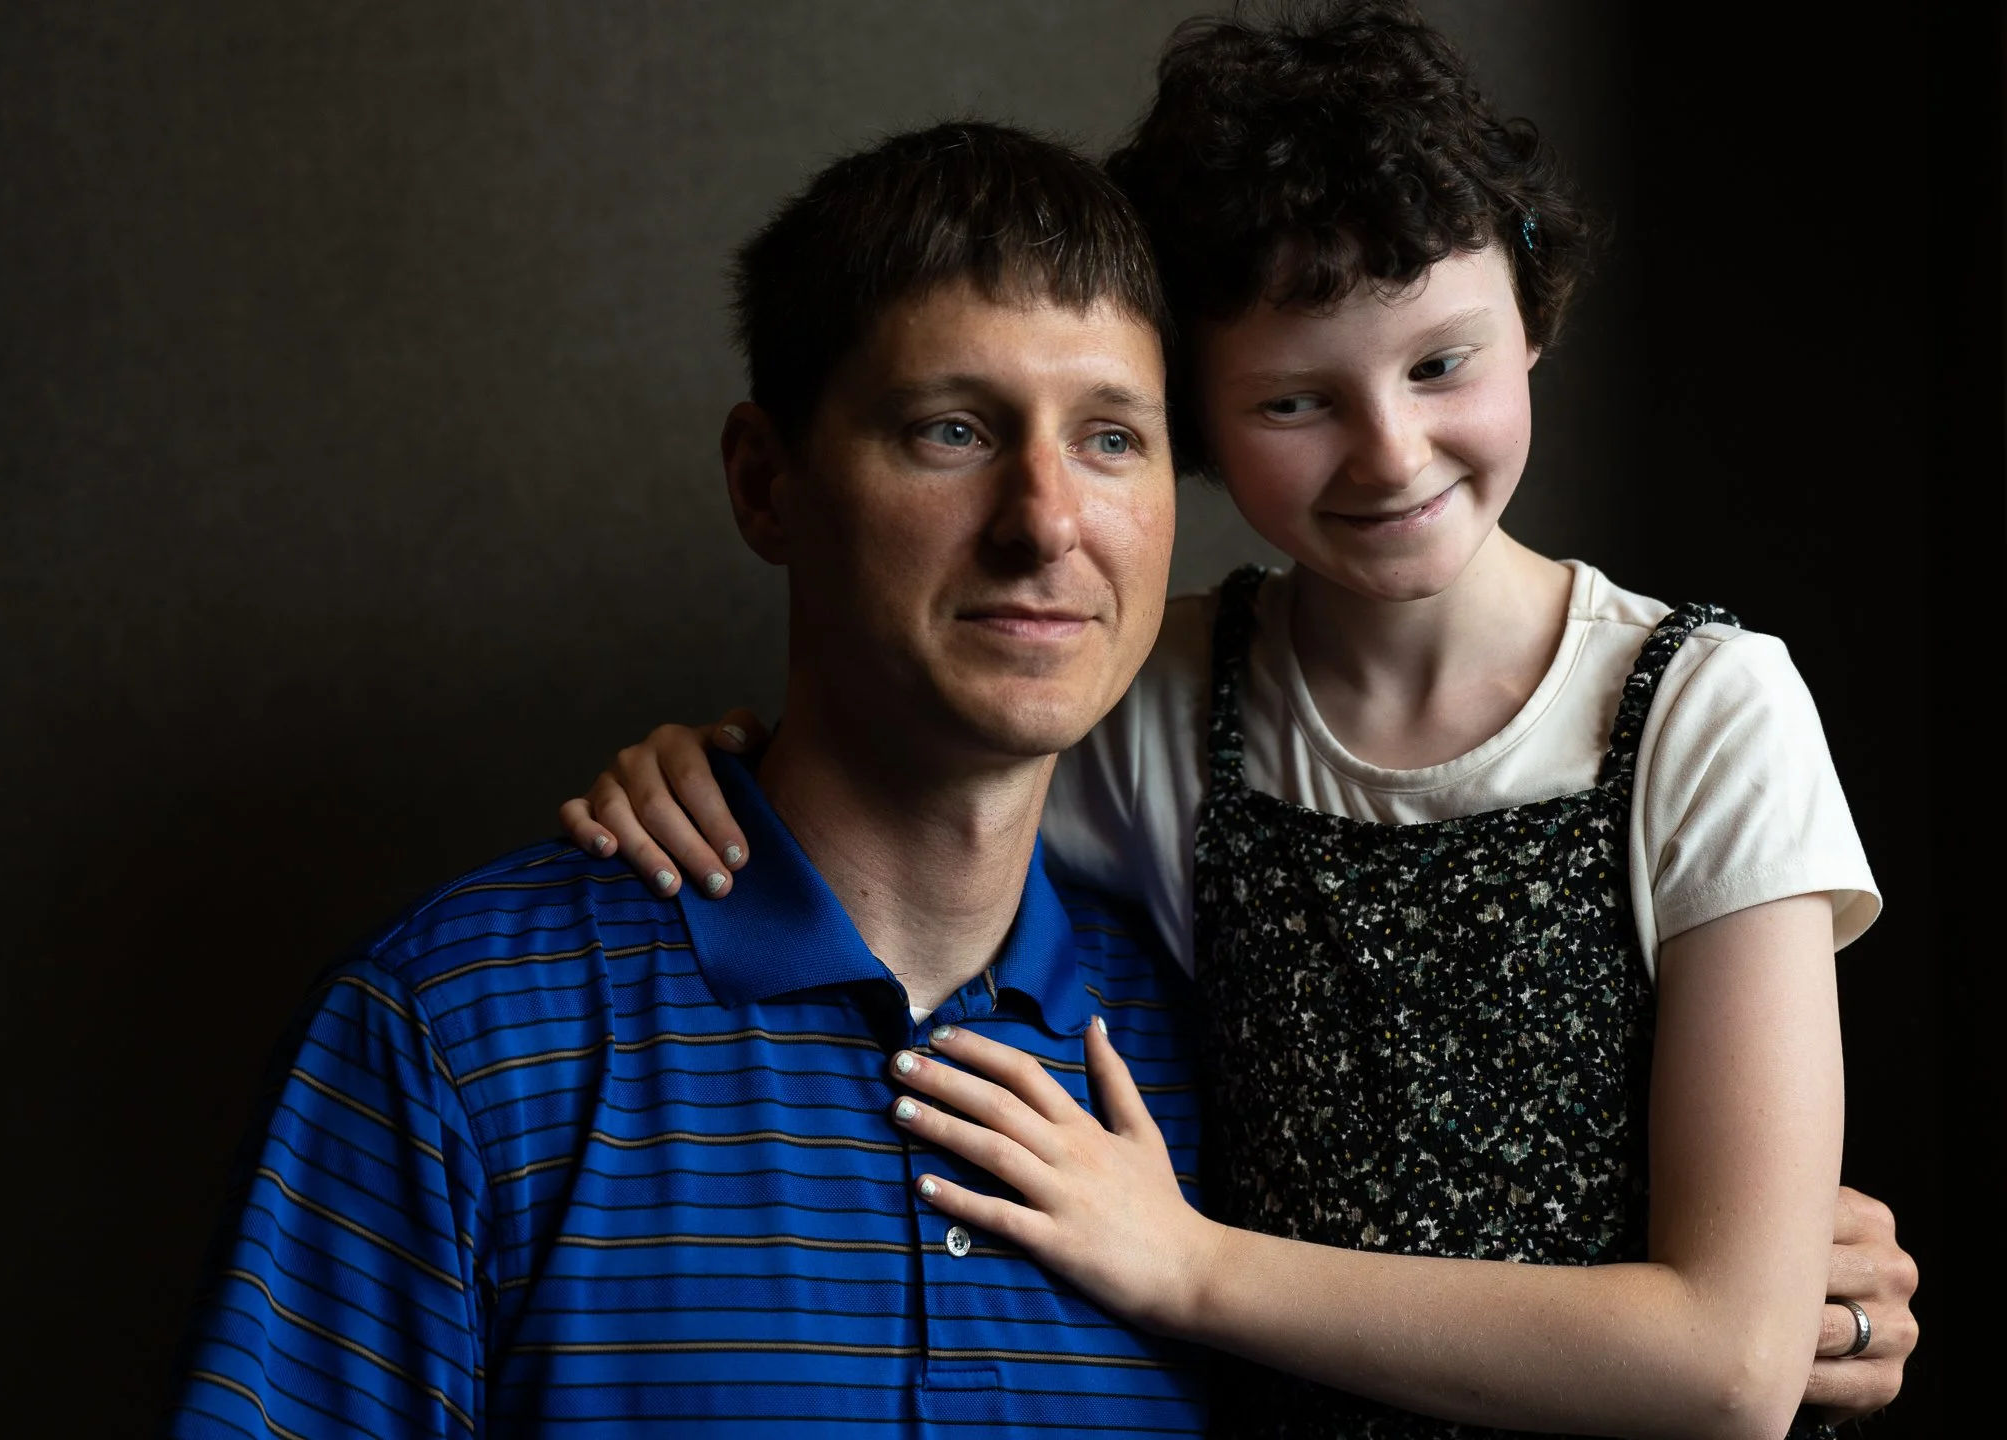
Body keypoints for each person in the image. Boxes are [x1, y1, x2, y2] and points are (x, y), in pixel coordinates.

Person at [557, 4, 1919, 1436]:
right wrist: (704, 768)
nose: (1391, 452)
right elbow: (902, 782)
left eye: (1442, 363)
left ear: (1534, 320)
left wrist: (1191, 1266)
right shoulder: (1165, 700)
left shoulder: (1705, 710)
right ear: (1196, 422)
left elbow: (1736, 1370)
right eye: (1292, 399)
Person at [164, 122, 1211, 1439]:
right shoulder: (457, 1039)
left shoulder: (1215, 1056)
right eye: (952, 429)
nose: (1046, 520)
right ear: (766, 485)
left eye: (1112, 438)